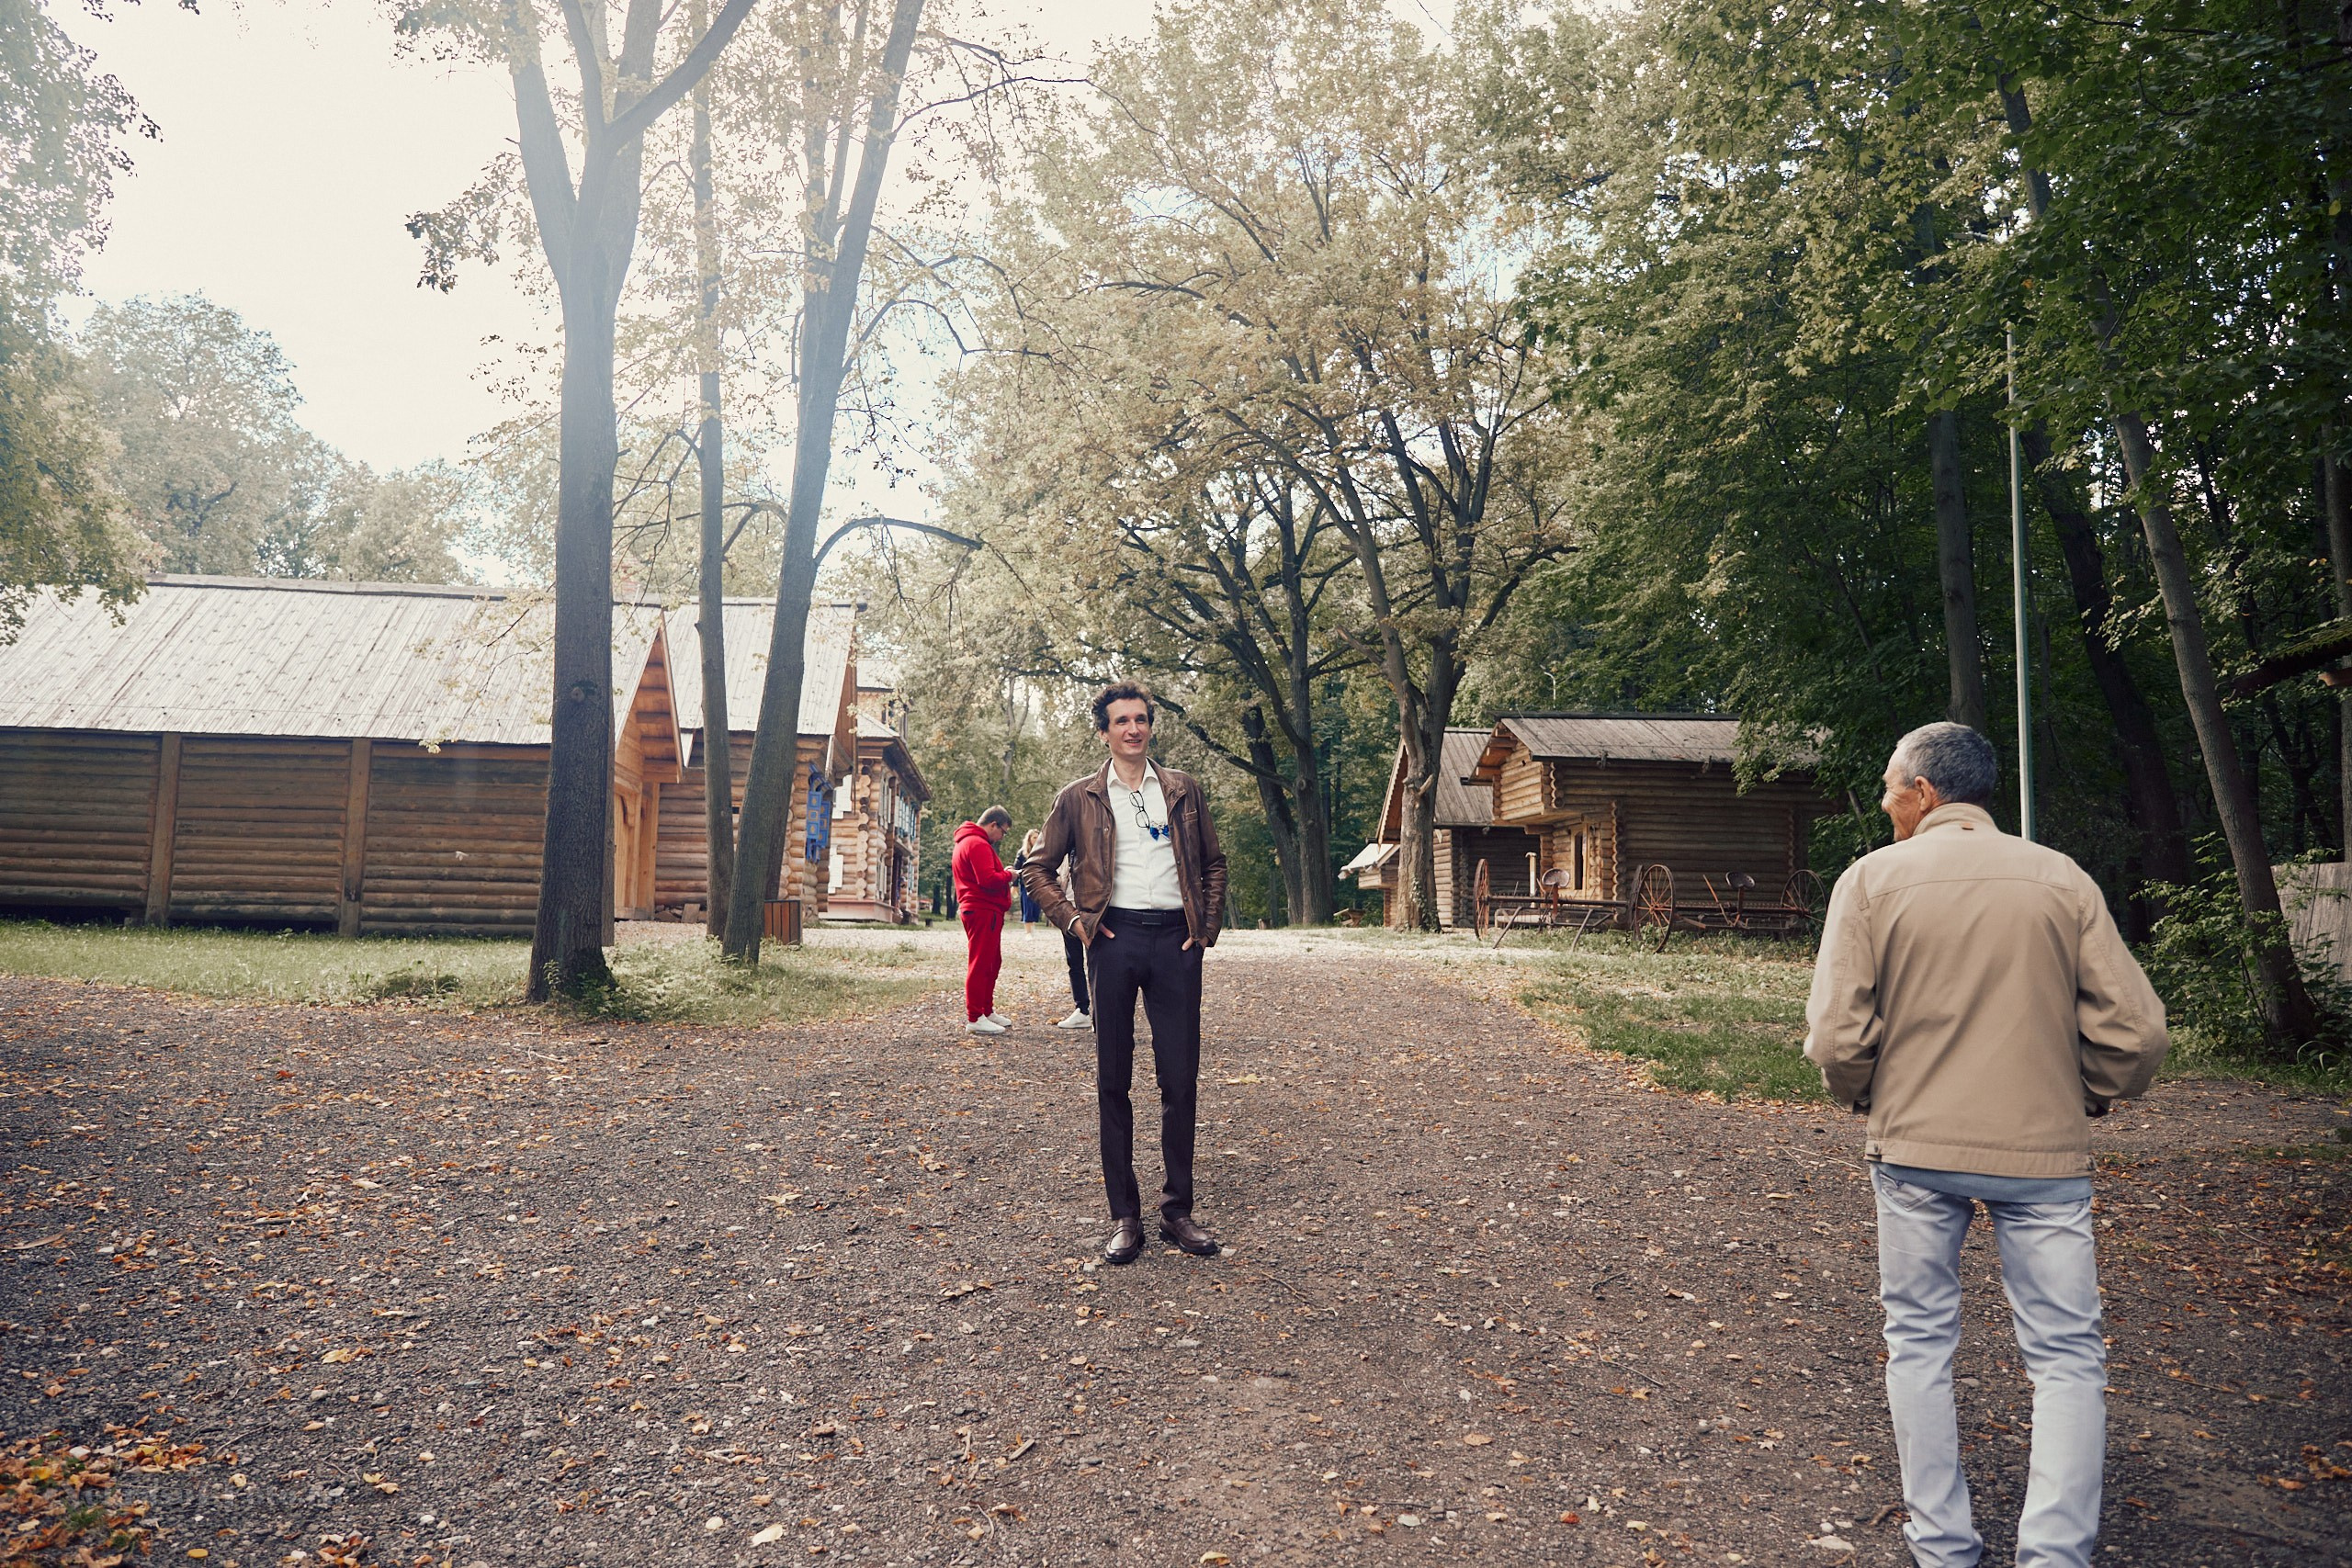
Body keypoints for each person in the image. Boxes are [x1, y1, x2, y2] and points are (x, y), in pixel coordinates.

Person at [1804, 722, 2169, 1568]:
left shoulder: (1869, 882)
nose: (1887, 803)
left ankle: (1942, 1548)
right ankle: (2054, 1556)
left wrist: (1868, 1095)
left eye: (1892, 787)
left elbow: (1833, 1038)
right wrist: (2089, 1092)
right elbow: (2138, 1031)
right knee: (2069, 1358)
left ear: (1925, 793)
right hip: (2044, 1158)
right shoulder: (2061, 878)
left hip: (1915, 1152)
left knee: (1921, 1345)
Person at [1023, 681, 1228, 1265]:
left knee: (1179, 1077)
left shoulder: (1183, 790)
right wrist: (1075, 922)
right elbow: (1037, 870)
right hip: (1112, 939)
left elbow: (1213, 864)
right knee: (1113, 1078)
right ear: (1104, 732)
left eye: (1141, 719)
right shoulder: (1079, 797)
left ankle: (1177, 1211)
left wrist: (1204, 931)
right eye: (1121, 721)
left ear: (1150, 726)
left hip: (1176, 941)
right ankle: (1125, 1216)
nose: (1133, 729)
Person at [951, 806, 1016, 1036]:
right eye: (1003, 832)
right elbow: (987, 879)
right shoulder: (977, 843)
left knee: (991, 962)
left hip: (981, 910)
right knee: (980, 963)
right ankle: (975, 1017)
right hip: (982, 909)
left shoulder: (966, 842)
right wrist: (1010, 875)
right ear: (993, 825)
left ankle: (986, 1010)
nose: (1002, 837)